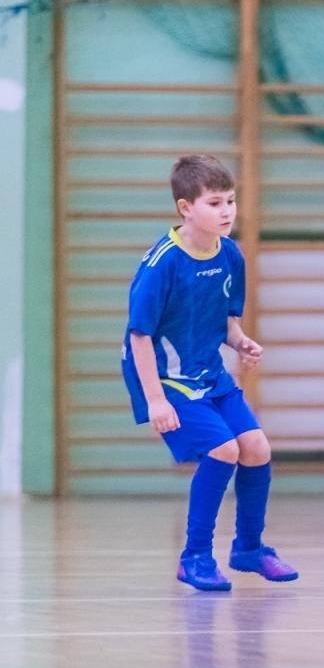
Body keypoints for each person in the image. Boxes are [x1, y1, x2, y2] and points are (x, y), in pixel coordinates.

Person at [122, 154, 299, 592]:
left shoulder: (230, 254)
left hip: (210, 375)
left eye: (231, 202)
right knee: (223, 450)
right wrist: (155, 401)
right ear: (186, 208)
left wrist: (240, 341)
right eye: (215, 203)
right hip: (167, 379)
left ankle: (249, 549)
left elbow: (225, 319)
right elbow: (139, 337)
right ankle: (195, 557)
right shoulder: (162, 264)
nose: (227, 212)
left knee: (256, 448)